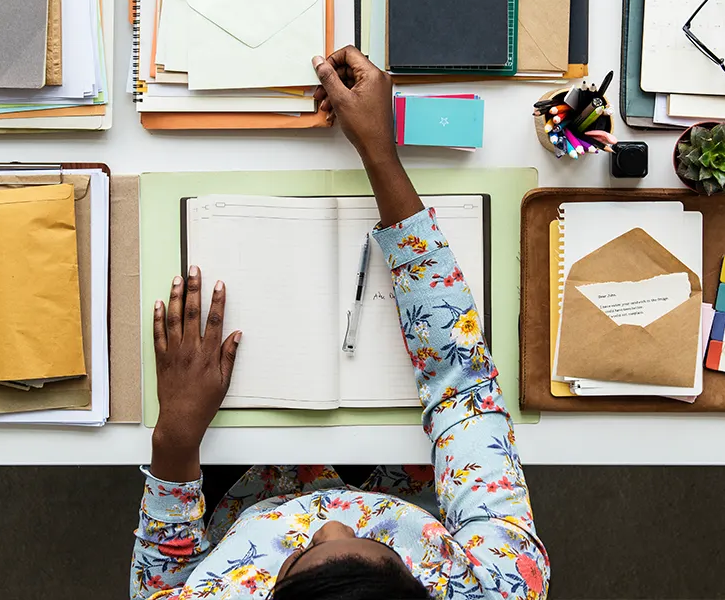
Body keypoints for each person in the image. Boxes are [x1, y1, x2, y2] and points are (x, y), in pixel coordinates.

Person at [131, 47, 549, 600]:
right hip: (413, 479)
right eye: (379, 547)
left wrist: (175, 440)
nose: (331, 523)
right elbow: (464, 385)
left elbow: (158, 584)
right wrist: (381, 155)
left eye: (302, 553)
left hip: (258, 491)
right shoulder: (500, 587)